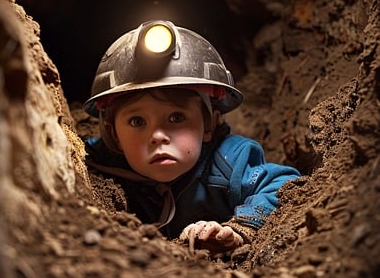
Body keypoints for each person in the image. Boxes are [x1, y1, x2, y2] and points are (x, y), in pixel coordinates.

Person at [84, 20, 300, 255]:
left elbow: (285, 185)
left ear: (208, 125)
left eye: (176, 118)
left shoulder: (229, 161)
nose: (158, 136)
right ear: (114, 135)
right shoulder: (95, 166)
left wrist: (241, 227)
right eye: (137, 122)